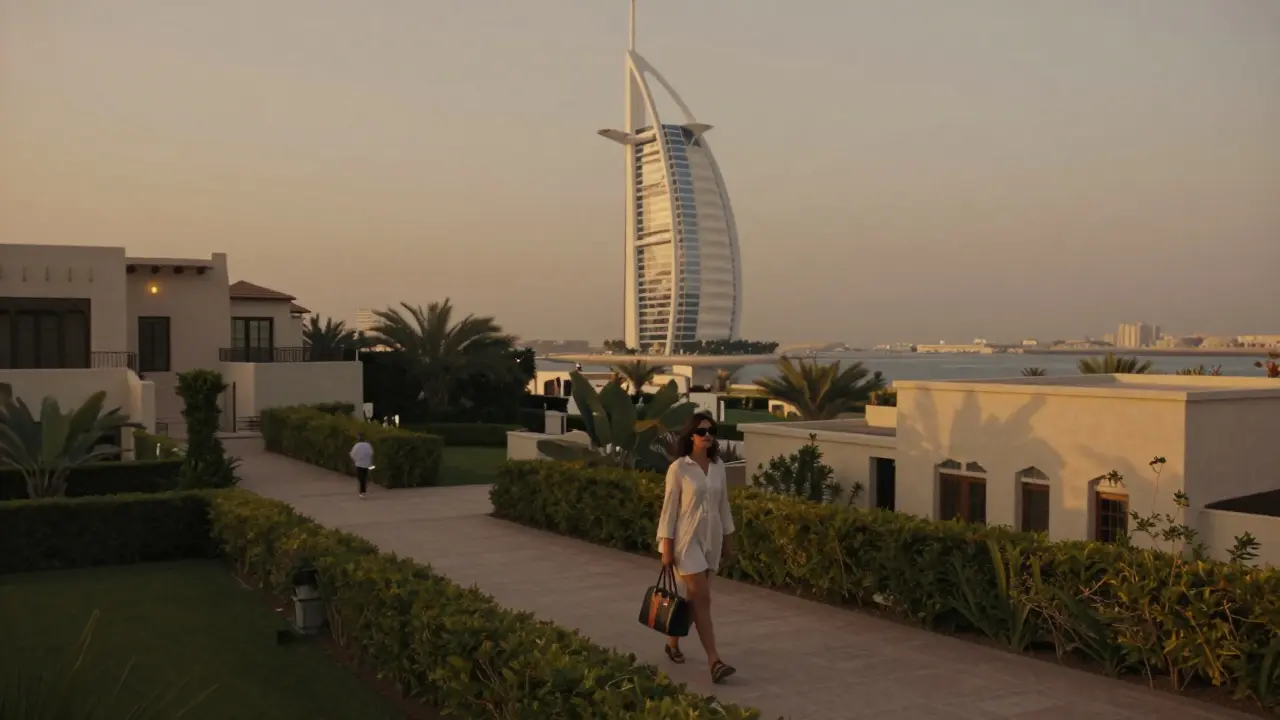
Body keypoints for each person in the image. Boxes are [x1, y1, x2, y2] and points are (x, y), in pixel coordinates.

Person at [656, 412, 737, 684]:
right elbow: (669, 510)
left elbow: (723, 504)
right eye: (702, 431)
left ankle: (672, 641)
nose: (707, 435)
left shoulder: (718, 466)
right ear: (691, 435)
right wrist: (666, 548)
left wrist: (728, 539)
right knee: (703, 597)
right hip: (685, 540)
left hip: (711, 539)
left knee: (694, 601)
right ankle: (714, 660)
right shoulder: (679, 468)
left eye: (711, 430)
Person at [349, 433, 374, 499]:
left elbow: (352, 454)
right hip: (366, 464)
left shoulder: (356, 446)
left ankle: (362, 491)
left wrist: (355, 460)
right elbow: (371, 454)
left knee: (360, 478)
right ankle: (363, 489)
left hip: (359, 464)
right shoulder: (368, 445)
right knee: (364, 476)